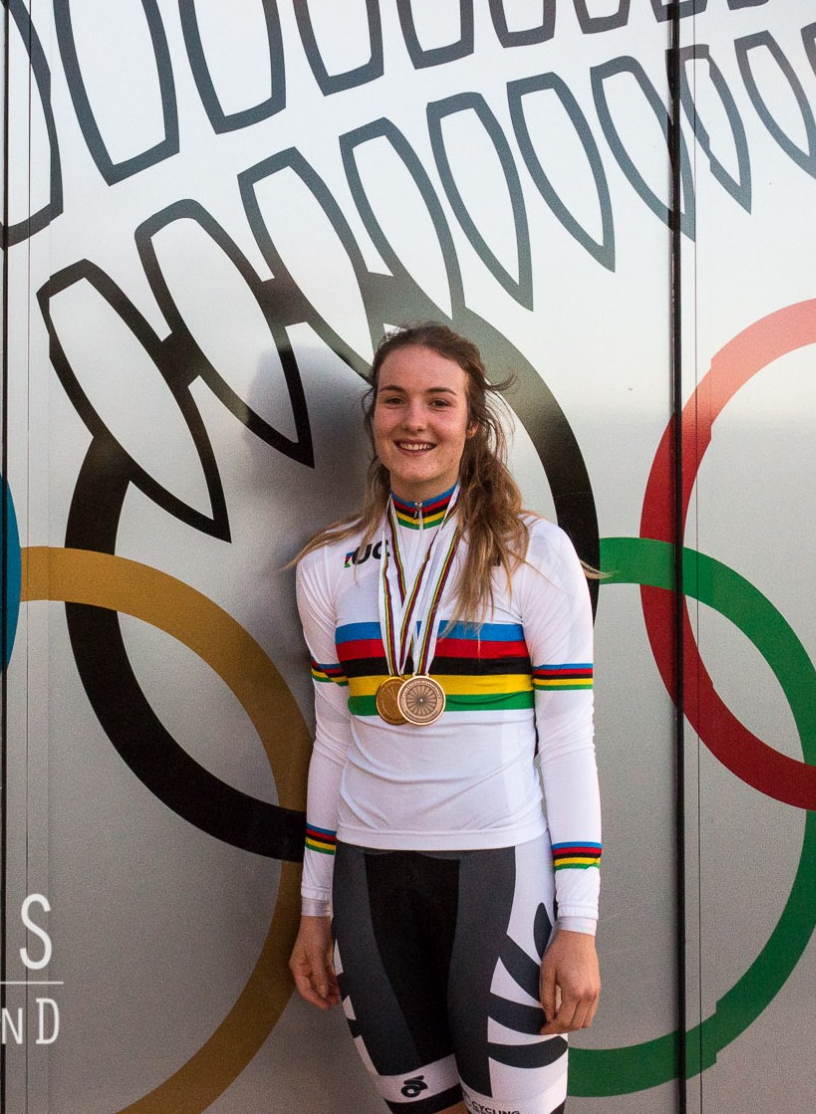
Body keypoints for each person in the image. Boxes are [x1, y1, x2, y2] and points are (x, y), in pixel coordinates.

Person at [287, 323, 601, 1114]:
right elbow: (333, 741)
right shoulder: (327, 565)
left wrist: (579, 923)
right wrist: (314, 909)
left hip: (499, 873)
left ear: (473, 420)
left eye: (439, 401)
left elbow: (568, 742)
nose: (415, 420)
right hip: (370, 879)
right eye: (395, 400)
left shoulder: (534, 554)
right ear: (374, 417)